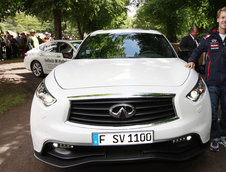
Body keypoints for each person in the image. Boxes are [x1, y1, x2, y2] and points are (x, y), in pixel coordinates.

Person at [185, 7, 226, 152]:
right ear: (218, 19)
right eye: (222, 17)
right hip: (213, 82)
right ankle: (214, 137)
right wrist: (192, 61)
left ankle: (223, 135)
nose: (224, 20)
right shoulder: (209, 37)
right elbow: (197, 50)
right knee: (213, 112)